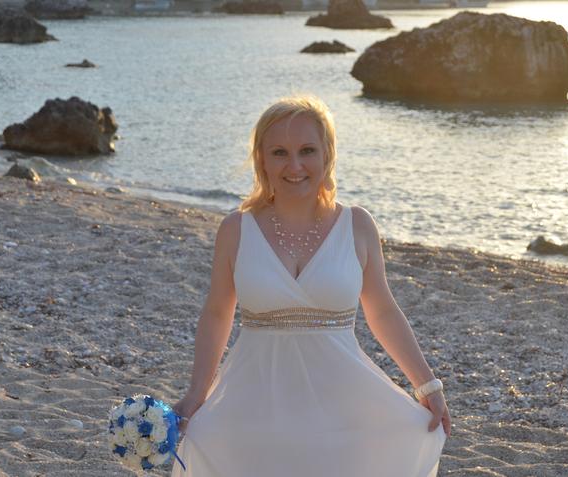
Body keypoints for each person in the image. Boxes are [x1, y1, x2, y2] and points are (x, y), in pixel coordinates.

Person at [171, 95, 450, 476]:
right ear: (261, 159)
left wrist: (427, 385)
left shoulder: (357, 225)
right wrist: (196, 393)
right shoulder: (236, 229)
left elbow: (383, 310)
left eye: (307, 150)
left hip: (341, 403)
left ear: (327, 154)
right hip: (253, 402)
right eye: (280, 153)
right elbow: (218, 313)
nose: (295, 166)